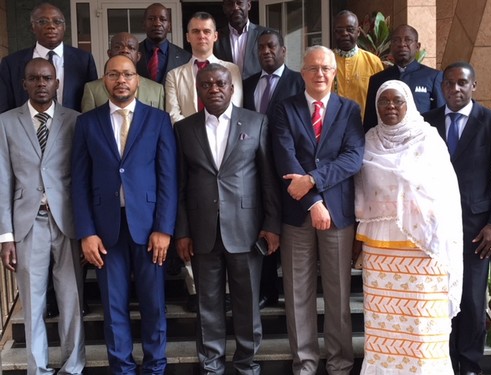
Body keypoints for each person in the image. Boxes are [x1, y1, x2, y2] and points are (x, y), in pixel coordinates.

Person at [71, 54, 177, 374]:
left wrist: (164, 228)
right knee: (113, 307)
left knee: (154, 305)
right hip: (105, 232)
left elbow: (168, 177)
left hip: (149, 230)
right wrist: (86, 232)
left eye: (128, 74)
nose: (121, 80)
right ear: (104, 80)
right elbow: (79, 181)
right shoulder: (87, 122)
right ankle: (122, 368)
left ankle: (155, 367)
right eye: (114, 74)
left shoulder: (158, 120)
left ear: (137, 81)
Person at [175, 63, 281, 374]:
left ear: (231, 88)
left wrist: (271, 225)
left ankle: (247, 363)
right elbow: (180, 184)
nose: (214, 89)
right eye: (206, 84)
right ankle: (212, 364)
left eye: (220, 83)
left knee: (247, 302)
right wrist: (182, 231)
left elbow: (268, 180)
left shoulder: (256, 122)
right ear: (199, 90)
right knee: (207, 303)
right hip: (202, 229)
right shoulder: (184, 129)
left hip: (247, 230)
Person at [355, 79, 463, 375]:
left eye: (397, 101)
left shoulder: (429, 140)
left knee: (421, 327)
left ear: (410, 104)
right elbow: (361, 191)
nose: (390, 106)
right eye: (383, 102)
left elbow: (445, 193)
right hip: (380, 251)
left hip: (424, 250)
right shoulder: (369, 141)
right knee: (384, 327)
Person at [271, 45, 364, 374]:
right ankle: (305, 364)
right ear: (303, 73)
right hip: (297, 215)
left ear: (334, 72)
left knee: (339, 295)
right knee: (298, 294)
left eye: (326, 68)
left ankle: (340, 364)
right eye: (313, 68)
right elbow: (284, 157)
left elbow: (353, 157)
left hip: (338, 216)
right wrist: (312, 202)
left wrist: (311, 180)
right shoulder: (284, 109)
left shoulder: (350, 110)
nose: (320, 74)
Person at [0, 58, 85, 375]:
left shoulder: (75, 121)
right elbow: (2, 180)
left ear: (57, 83)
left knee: (71, 300)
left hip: (68, 221)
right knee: (34, 303)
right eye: (34, 78)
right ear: (24, 83)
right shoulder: (6, 123)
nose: (41, 83)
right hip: (27, 223)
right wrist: (5, 235)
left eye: (47, 78)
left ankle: (73, 366)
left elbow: (82, 177)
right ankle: (38, 369)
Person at [423, 61, 491, 375]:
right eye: (449, 83)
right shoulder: (425, 123)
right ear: (442, 88)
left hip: (476, 230)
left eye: (462, 83)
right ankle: (443, 362)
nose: (455, 89)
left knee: (469, 300)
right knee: (438, 299)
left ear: (474, 86)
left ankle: (469, 365)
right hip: (432, 229)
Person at [242, 28, 304, 309]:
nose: (266, 51)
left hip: (289, 166)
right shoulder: (247, 83)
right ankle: (266, 290)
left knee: (289, 231)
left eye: (271, 46)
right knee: (264, 226)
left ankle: (289, 290)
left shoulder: (298, 82)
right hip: (255, 167)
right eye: (261, 47)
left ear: (283, 51)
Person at [0, 2, 97, 113]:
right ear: (32, 27)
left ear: (64, 27)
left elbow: (91, 103)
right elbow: (4, 105)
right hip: (24, 128)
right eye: (43, 21)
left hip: (73, 127)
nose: (51, 26)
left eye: (57, 22)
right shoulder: (11, 63)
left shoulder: (84, 60)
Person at [363, 24, 445, 131]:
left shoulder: (433, 77)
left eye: (408, 40)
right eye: (396, 40)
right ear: (391, 46)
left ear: (417, 46)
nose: (402, 44)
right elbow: (370, 121)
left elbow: (441, 117)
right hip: (385, 143)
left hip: (421, 142)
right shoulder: (377, 80)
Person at [166, 11, 243, 124]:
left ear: (215, 36)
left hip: (225, 136)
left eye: (207, 31)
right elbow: (173, 114)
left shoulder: (231, 70)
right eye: (196, 31)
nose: (201, 36)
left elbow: (235, 107)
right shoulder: (174, 76)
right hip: (189, 138)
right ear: (188, 37)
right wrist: (196, 134)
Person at [81, 32, 165, 112]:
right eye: (118, 47)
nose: (125, 50)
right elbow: (88, 124)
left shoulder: (157, 90)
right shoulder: (92, 89)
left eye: (131, 48)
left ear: (138, 56)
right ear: (109, 54)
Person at [332, 10, 384, 118]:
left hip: (364, 129)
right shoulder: (325, 61)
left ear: (359, 31)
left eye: (350, 29)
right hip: (332, 129)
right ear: (335, 33)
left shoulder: (373, 62)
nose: (345, 33)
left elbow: (381, 98)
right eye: (340, 30)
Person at [137, 3, 191, 84]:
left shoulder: (185, 57)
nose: (157, 24)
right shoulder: (132, 54)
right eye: (151, 19)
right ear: (144, 24)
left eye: (163, 19)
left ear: (169, 26)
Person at [214, 0, 267, 80]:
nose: (235, 7)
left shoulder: (264, 34)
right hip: (227, 90)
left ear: (249, 5)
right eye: (230, 4)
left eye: (239, 3)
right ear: (224, 8)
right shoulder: (216, 37)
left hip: (257, 90)